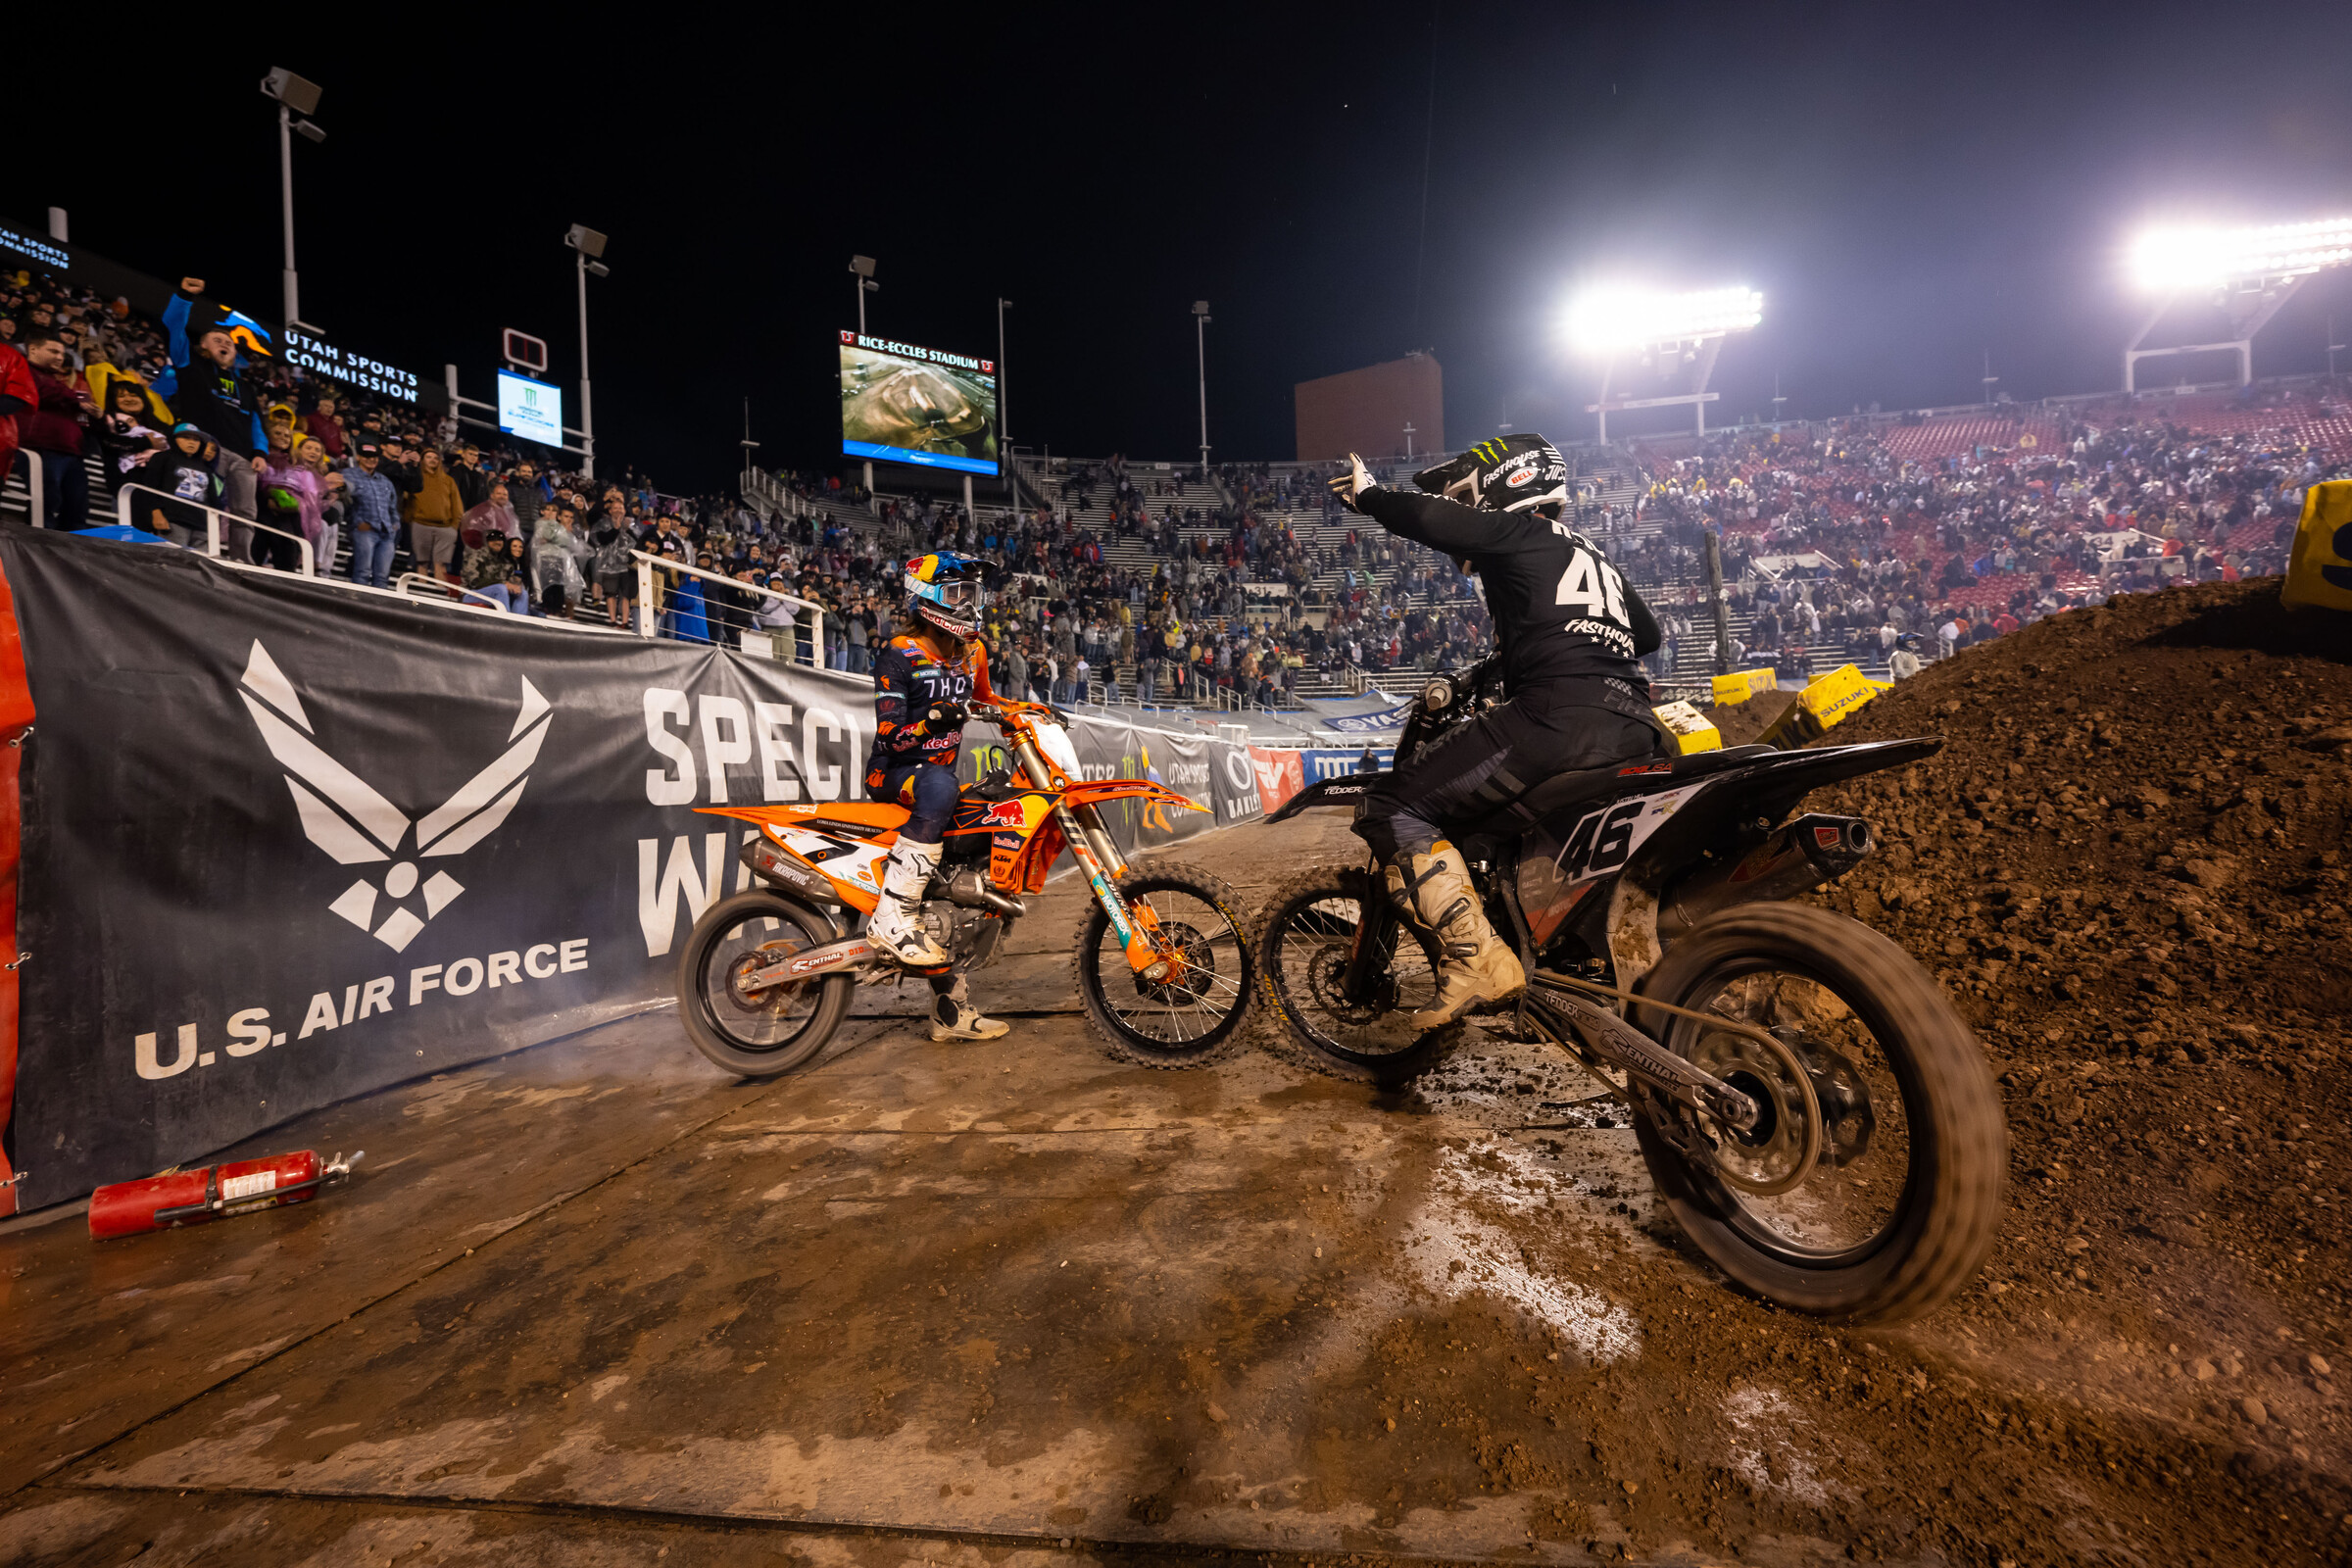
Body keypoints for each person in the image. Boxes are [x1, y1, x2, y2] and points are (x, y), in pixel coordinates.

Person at [1328, 434, 1671, 1028]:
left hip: (1559, 718)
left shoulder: (1521, 532)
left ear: (1509, 485)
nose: (1466, 510)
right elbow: (1647, 636)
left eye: (1470, 497)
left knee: (1390, 805)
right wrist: (1512, 660)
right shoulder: (1591, 554)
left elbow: (1434, 518)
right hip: (1641, 724)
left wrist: (1372, 496)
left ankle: (1478, 960)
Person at [861, 552, 1010, 1042]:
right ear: (924, 598)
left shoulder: (974, 652)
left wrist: (1031, 711)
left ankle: (952, 1013)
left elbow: (990, 703)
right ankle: (892, 915)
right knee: (940, 782)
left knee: (972, 852)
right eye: (956, 594)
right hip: (895, 773)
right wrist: (932, 721)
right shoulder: (899, 653)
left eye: (973, 594)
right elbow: (888, 737)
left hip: (938, 780)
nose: (968, 605)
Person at [344, 441, 402, 587]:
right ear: (359, 457)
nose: (371, 459)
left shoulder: (384, 480)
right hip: (364, 530)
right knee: (362, 572)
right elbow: (346, 502)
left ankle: (377, 609)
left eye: (375, 456)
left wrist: (395, 524)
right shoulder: (348, 475)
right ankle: (357, 607)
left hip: (387, 532)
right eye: (367, 456)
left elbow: (392, 506)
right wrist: (357, 523)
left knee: (382, 577)